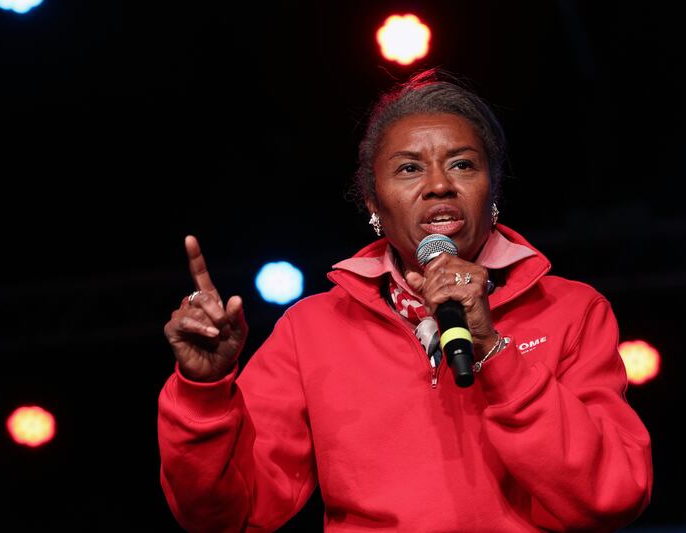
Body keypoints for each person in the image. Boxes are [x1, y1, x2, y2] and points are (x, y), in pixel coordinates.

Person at [158, 69, 653, 532]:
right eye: (409, 168)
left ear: (492, 189)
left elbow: (613, 495)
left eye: (462, 164)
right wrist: (204, 391)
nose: (439, 184)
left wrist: (494, 351)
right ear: (374, 203)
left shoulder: (571, 309)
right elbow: (225, 515)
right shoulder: (312, 328)